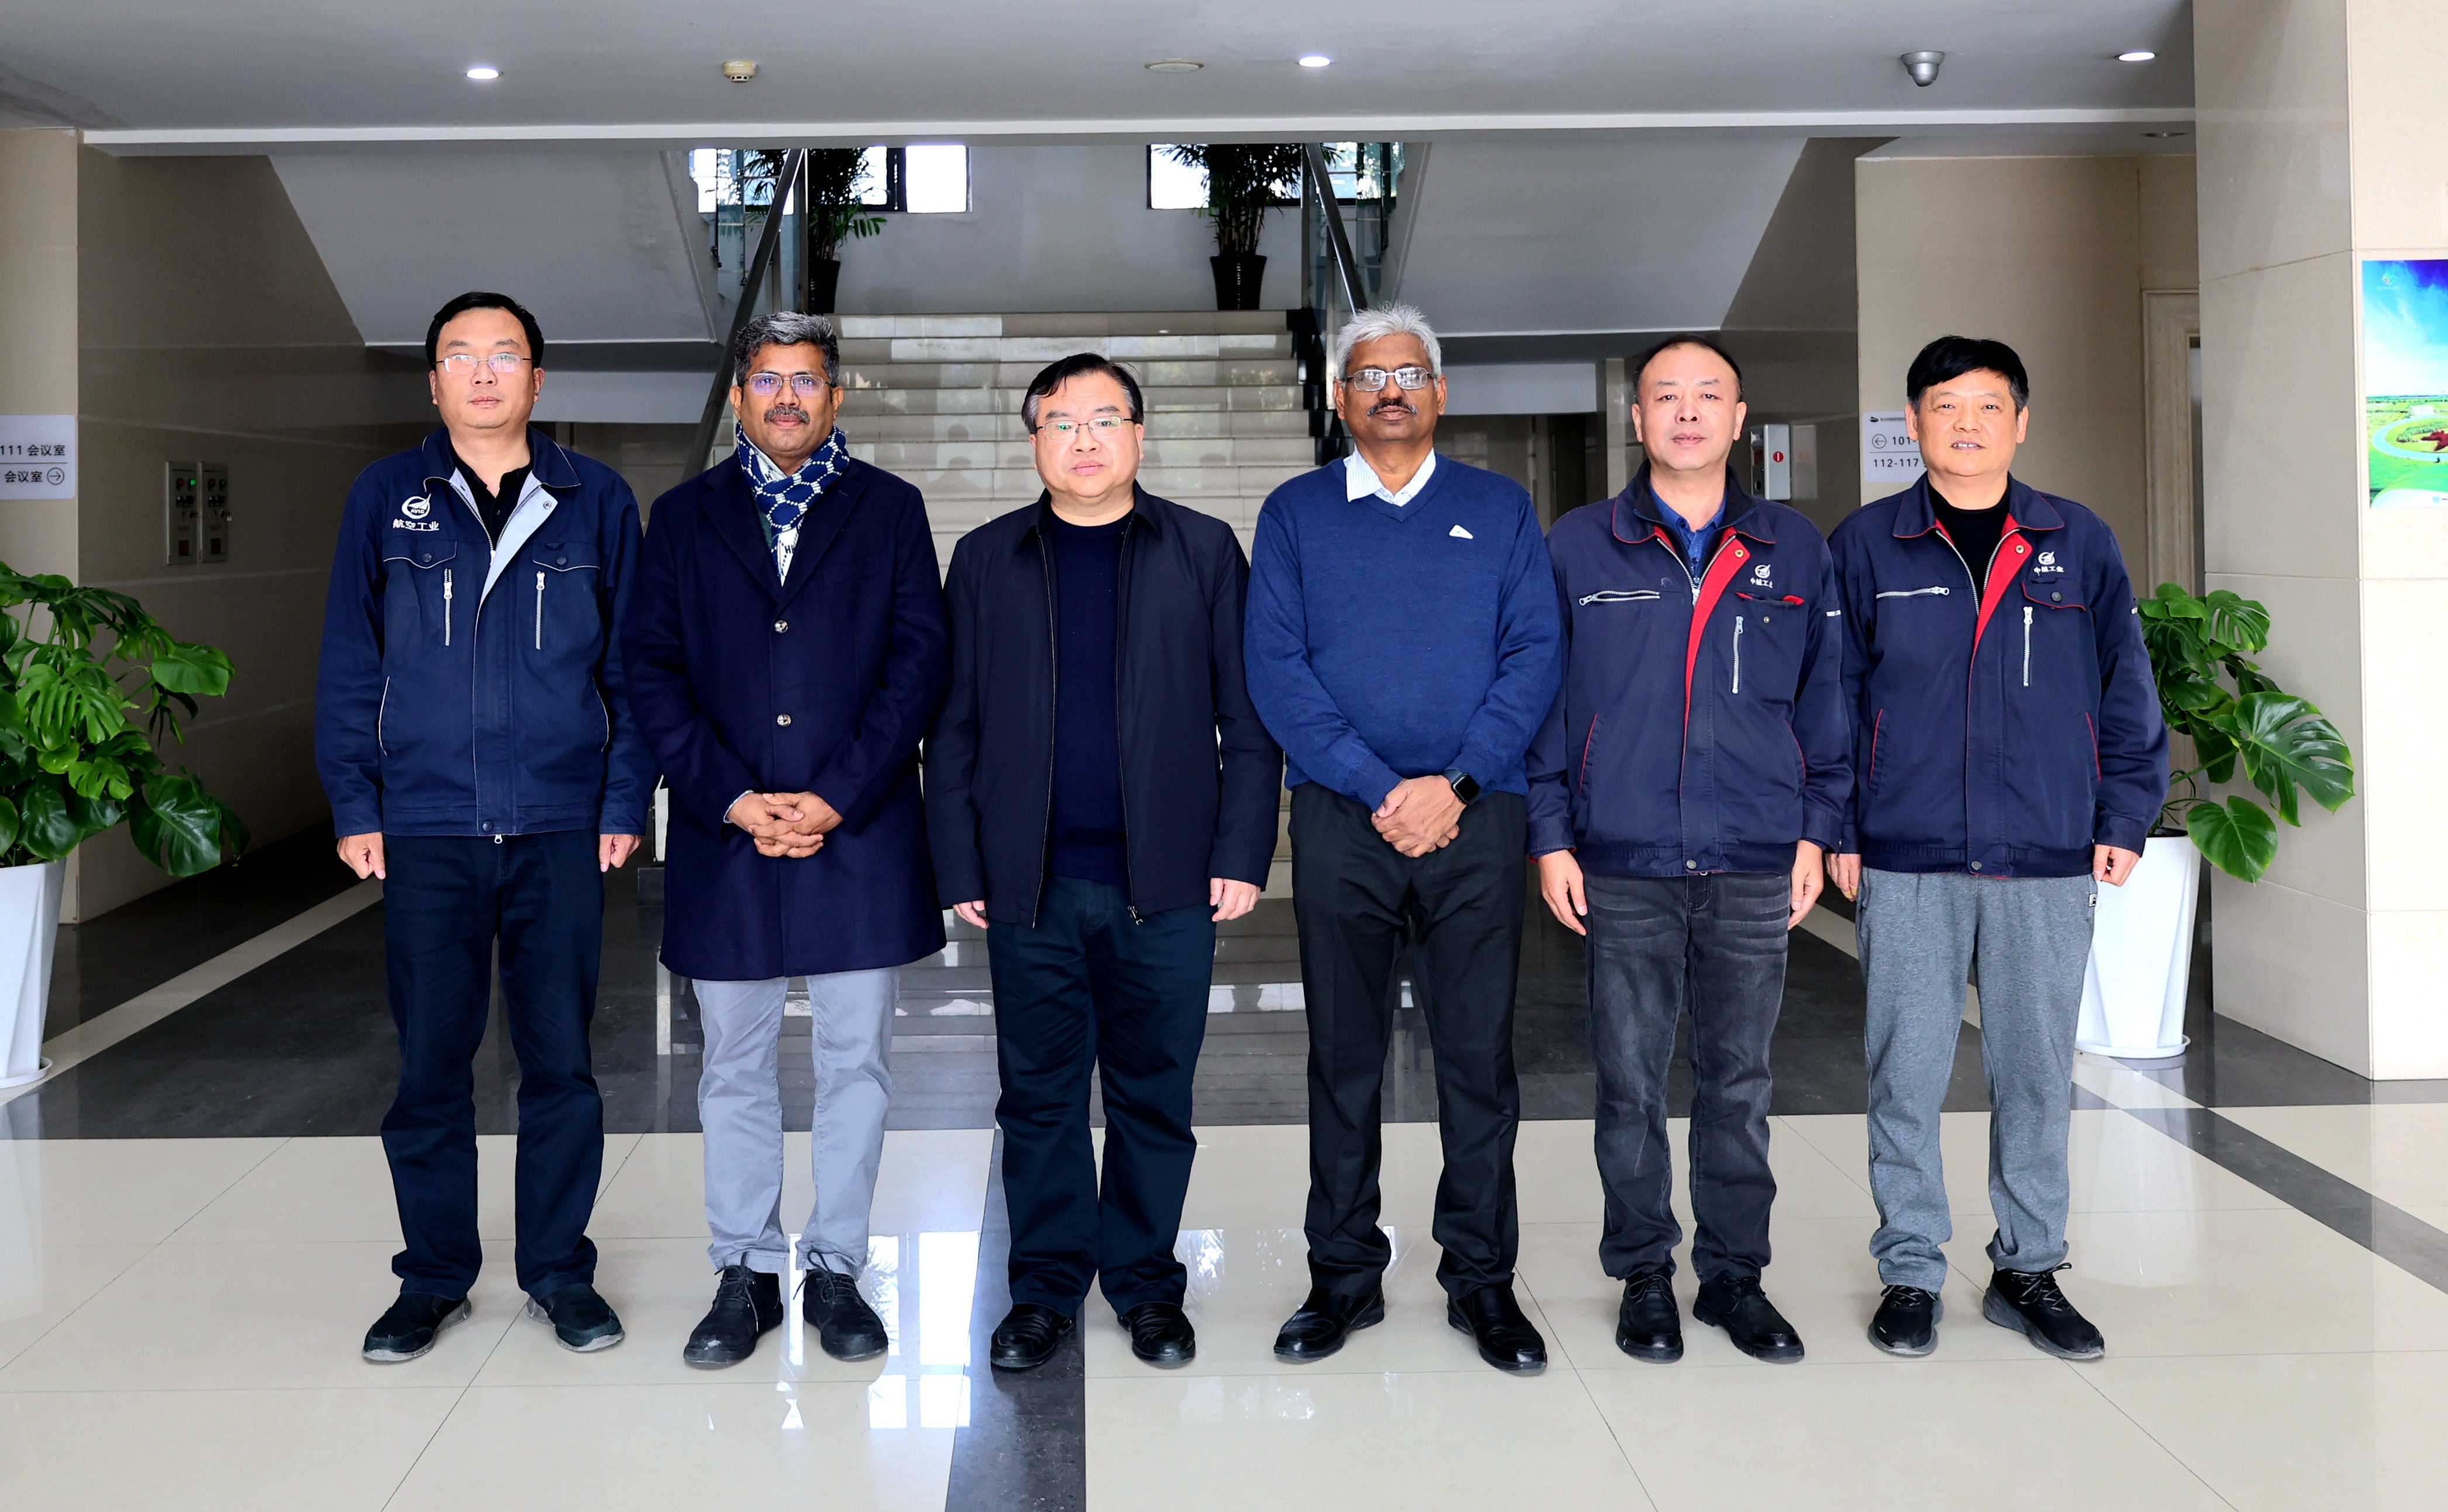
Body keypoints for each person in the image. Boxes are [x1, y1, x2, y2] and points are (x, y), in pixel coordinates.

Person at [317, 290, 655, 1363]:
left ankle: (559, 1272)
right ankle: (433, 1278)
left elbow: (632, 668)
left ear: (537, 380)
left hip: (560, 822)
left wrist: (622, 799)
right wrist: (356, 801)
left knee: (561, 1063)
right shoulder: (386, 497)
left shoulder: (595, 498)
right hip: (427, 822)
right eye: (459, 355)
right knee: (430, 1064)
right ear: (432, 381)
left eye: (504, 354)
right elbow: (350, 660)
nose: (481, 371)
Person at [926, 353, 1281, 1372]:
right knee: (1037, 1099)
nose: (1083, 440)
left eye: (1103, 419)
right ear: (1033, 439)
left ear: (1139, 434)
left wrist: (1241, 849)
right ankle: (1043, 1290)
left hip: (1165, 883)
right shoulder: (987, 557)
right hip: (1028, 884)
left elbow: (1247, 718)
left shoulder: (1202, 549)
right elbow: (953, 727)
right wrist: (960, 861)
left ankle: (1145, 1284)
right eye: (1061, 422)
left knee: (1152, 1097)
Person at [1828, 336, 2167, 1361]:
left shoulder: (2078, 539)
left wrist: (2123, 815)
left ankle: (2028, 1268)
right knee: (1904, 1072)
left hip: (2045, 853)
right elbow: (1831, 697)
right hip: (1907, 851)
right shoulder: (1867, 544)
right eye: (1944, 406)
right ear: (1913, 423)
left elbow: (2124, 687)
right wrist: (1838, 826)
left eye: (1986, 406)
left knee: (2034, 1073)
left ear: (2020, 422)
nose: (1965, 424)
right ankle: (1909, 1269)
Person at [622, 312, 949, 1369]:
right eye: (767, 380)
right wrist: (729, 795)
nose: (787, 397)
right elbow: (650, 669)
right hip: (726, 837)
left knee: (857, 1063)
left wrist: (835, 795)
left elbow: (918, 664)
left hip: (858, 833)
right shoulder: (682, 516)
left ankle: (838, 1267)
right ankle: (746, 1270)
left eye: (807, 380)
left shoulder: (890, 509)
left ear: (835, 396)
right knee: (733, 1064)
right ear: (739, 397)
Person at [1244, 303, 1563, 1374]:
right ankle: (1342, 1274)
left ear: (1440, 393)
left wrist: (1455, 784)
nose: (1390, 390)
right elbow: (1276, 669)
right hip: (1344, 819)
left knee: (1477, 1059)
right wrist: (1384, 787)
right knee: (1344, 1058)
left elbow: (1533, 654)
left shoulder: (1499, 508)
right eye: (1370, 376)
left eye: (1410, 373)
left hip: (1478, 817)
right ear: (1339, 398)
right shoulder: (1294, 514)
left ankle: (1481, 1278)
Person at [1528, 334, 1849, 1366]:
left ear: (1738, 417)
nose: (1686, 412)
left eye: (1707, 395)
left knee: (1738, 1079)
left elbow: (1827, 700)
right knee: (1628, 1080)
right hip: (1621, 857)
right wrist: (1549, 835)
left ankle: (1733, 1276)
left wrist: (1816, 828)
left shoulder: (1793, 546)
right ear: (1636, 419)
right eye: (1664, 396)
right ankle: (1642, 1274)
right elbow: (1543, 701)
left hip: (1754, 854)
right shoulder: (1579, 544)